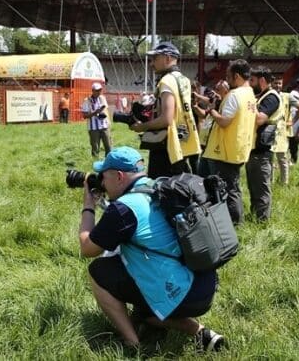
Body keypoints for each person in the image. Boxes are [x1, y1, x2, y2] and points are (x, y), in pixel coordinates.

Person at [78, 146, 225, 351]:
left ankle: (132, 343)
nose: (102, 182)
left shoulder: (124, 208)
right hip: (205, 285)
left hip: (180, 291)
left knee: (98, 271)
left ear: (119, 176)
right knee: (141, 314)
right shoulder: (161, 186)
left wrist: (88, 206)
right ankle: (200, 332)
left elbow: (87, 248)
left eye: (103, 176)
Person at [131, 42, 200, 178]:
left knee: (161, 188)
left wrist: (142, 127)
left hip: (167, 145)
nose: (151, 63)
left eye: (155, 59)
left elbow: (166, 119)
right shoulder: (184, 79)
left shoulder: (167, 81)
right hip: (184, 138)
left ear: (167, 58)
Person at [203, 59, 257, 225]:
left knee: (228, 190)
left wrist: (211, 110)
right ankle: (236, 222)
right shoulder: (250, 94)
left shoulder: (235, 95)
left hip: (226, 149)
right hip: (239, 147)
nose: (226, 79)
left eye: (228, 76)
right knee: (233, 187)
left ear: (237, 76)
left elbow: (224, 121)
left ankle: (234, 224)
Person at [245, 68, 281, 222]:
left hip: (262, 151)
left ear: (261, 81)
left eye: (252, 81)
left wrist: (250, 106)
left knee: (261, 187)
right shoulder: (262, 96)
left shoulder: (271, 97)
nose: (250, 84)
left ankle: (262, 221)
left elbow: (260, 119)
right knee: (253, 186)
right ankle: (255, 215)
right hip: (254, 149)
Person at [271, 79, 299, 184]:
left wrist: (293, 121)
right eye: (275, 83)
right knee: (269, 159)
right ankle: (269, 182)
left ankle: (284, 183)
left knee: (282, 158)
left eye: (279, 83)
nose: (277, 85)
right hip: (269, 130)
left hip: (282, 132)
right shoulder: (268, 95)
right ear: (271, 83)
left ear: (282, 84)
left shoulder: (287, 96)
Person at [81, 83, 111, 158]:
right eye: (97, 90)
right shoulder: (87, 100)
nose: (99, 92)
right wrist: (95, 113)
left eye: (100, 90)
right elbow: (84, 116)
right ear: (93, 91)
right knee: (95, 147)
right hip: (93, 128)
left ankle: (109, 162)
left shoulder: (102, 98)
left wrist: (107, 120)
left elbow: (106, 110)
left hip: (104, 126)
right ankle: (95, 163)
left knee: (108, 146)